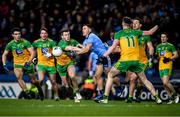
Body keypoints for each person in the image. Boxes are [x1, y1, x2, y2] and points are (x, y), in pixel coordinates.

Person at [97, 16, 162, 104]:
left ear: (123, 24)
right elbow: (150, 32)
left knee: (110, 75)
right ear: (130, 24)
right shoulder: (136, 32)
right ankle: (157, 98)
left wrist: (104, 55)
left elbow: (113, 47)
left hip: (125, 61)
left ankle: (105, 98)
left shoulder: (118, 34)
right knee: (144, 80)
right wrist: (157, 25)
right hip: (136, 61)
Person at [2, 27, 43, 100]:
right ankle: (27, 92)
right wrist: (4, 64)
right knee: (19, 78)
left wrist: (29, 61)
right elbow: (4, 54)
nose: (18, 35)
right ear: (12, 35)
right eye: (16, 34)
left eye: (19, 34)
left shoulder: (25, 42)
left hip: (27, 63)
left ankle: (39, 88)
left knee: (33, 81)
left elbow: (33, 53)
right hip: (17, 64)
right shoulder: (10, 44)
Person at [77, 24, 111, 99]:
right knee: (97, 76)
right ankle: (101, 94)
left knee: (110, 76)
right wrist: (74, 49)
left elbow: (86, 49)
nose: (83, 30)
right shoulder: (86, 40)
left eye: (85, 28)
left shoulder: (91, 36)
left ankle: (119, 86)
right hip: (100, 58)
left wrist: (77, 52)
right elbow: (83, 48)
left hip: (105, 56)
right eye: (82, 29)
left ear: (89, 30)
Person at [125, 18, 154, 103]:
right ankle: (132, 96)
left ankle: (134, 96)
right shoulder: (130, 35)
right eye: (133, 23)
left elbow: (150, 47)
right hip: (132, 60)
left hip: (142, 61)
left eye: (136, 23)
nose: (134, 24)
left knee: (134, 78)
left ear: (140, 25)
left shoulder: (145, 35)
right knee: (133, 79)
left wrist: (151, 58)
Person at [32, 28, 59, 101]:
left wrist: (51, 54)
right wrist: (33, 58)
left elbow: (57, 53)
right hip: (41, 64)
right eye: (42, 33)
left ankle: (56, 96)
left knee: (53, 81)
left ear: (47, 34)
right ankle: (39, 93)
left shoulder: (52, 42)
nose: (44, 34)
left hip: (51, 64)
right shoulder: (36, 42)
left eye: (45, 33)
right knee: (40, 80)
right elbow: (33, 51)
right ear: (40, 34)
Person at [56, 29, 82, 102]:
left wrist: (86, 47)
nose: (68, 36)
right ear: (62, 36)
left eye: (68, 34)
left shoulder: (72, 41)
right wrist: (82, 50)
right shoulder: (61, 44)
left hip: (69, 63)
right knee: (67, 84)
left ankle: (77, 92)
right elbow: (72, 48)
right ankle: (74, 96)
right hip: (60, 66)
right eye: (66, 35)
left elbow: (80, 45)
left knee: (72, 76)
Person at [156, 32, 179, 104]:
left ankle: (176, 95)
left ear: (167, 38)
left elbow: (176, 55)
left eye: (164, 37)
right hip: (160, 66)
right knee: (164, 84)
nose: (162, 38)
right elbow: (158, 56)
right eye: (162, 37)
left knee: (166, 82)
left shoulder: (170, 46)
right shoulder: (158, 46)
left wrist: (169, 59)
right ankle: (171, 98)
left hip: (168, 65)